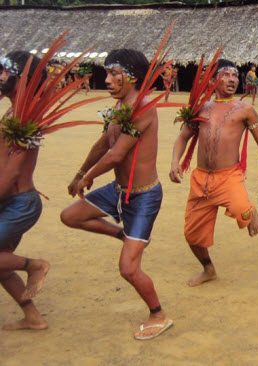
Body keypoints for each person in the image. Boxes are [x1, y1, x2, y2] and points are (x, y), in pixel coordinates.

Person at [60, 49, 172, 340]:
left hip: (143, 196)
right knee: (70, 215)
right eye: (106, 73)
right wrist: (79, 172)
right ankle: (121, 235)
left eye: (113, 73)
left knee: (128, 269)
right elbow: (103, 143)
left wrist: (87, 178)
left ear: (132, 77)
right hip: (117, 191)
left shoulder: (143, 107)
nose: (107, 79)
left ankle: (158, 314)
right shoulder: (120, 106)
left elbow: (116, 154)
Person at [169, 60, 258, 286]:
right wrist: (174, 162)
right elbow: (183, 137)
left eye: (235, 76)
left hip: (229, 176)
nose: (231, 79)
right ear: (212, 81)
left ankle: (248, 207)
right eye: (225, 75)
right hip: (200, 179)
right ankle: (208, 269)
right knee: (192, 236)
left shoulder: (244, 109)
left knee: (241, 210)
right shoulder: (200, 108)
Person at [0, 51, 50, 331]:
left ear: (23, 78)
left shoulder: (24, 117)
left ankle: (35, 266)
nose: (0, 76)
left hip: (17, 200)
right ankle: (33, 318)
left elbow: (13, 171)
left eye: (5, 71)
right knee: (2, 264)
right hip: (10, 200)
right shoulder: (14, 112)